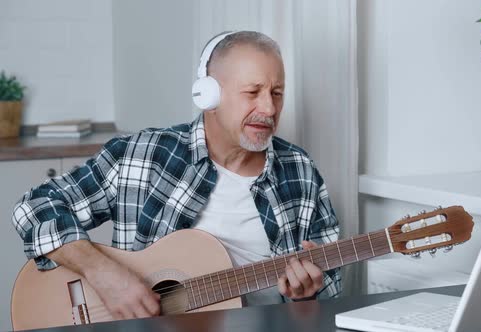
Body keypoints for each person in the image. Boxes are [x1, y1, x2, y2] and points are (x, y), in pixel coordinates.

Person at [12, 31, 341, 321]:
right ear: (208, 95)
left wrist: (307, 294)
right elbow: (35, 206)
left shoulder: (299, 171)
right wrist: (106, 275)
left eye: (277, 93)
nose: (269, 109)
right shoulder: (145, 154)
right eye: (253, 92)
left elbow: (330, 285)